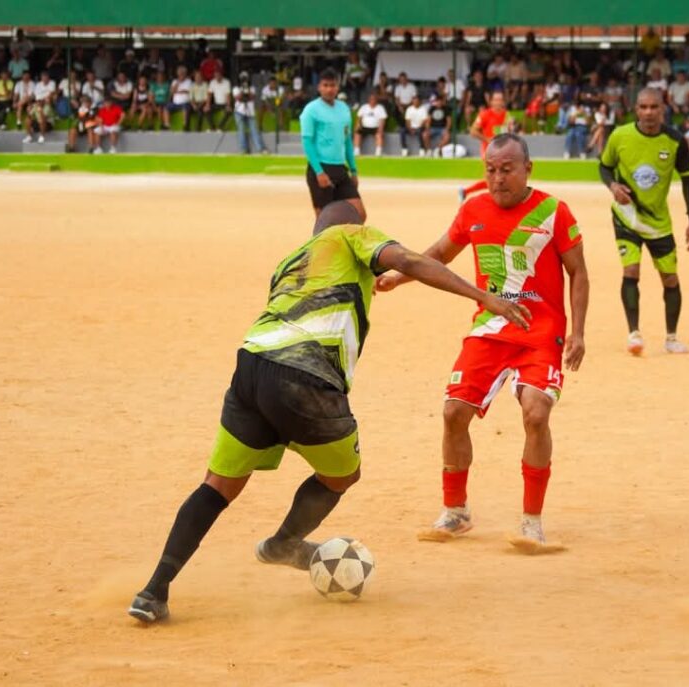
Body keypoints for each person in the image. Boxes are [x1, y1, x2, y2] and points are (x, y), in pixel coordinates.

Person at [128, 201, 531, 624]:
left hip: (251, 365)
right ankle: (284, 543)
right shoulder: (351, 235)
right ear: (353, 226)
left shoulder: (291, 260)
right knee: (342, 473)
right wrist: (485, 297)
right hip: (305, 375)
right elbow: (409, 259)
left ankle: (153, 591)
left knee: (219, 485)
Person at [376, 134, 588, 551]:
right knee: (453, 411)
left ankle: (531, 523)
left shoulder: (554, 212)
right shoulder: (472, 209)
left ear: (528, 168)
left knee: (536, 415)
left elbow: (578, 273)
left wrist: (578, 332)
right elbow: (440, 251)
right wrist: (400, 277)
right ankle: (456, 512)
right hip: (490, 329)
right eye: (490, 169)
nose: (497, 178)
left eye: (506, 169)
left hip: (541, 332)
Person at [599, 87, 689, 356]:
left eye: (654, 107)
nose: (648, 113)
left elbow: (688, 179)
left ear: (663, 109)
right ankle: (634, 334)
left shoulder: (675, 141)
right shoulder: (620, 136)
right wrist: (613, 187)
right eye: (643, 107)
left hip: (659, 222)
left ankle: (671, 338)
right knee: (631, 271)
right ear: (636, 109)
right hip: (626, 216)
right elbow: (604, 166)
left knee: (670, 279)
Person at [300, 68, 364, 221]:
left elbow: (347, 140)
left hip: (340, 168)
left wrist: (353, 170)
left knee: (359, 214)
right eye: (325, 85)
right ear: (319, 87)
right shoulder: (311, 110)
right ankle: (320, 245)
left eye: (333, 85)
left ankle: (342, 244)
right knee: (324, 221)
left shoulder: (344, 109)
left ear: (338, 87)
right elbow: (307, 142)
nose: (329, 89)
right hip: (321, 168)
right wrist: (319, 172)